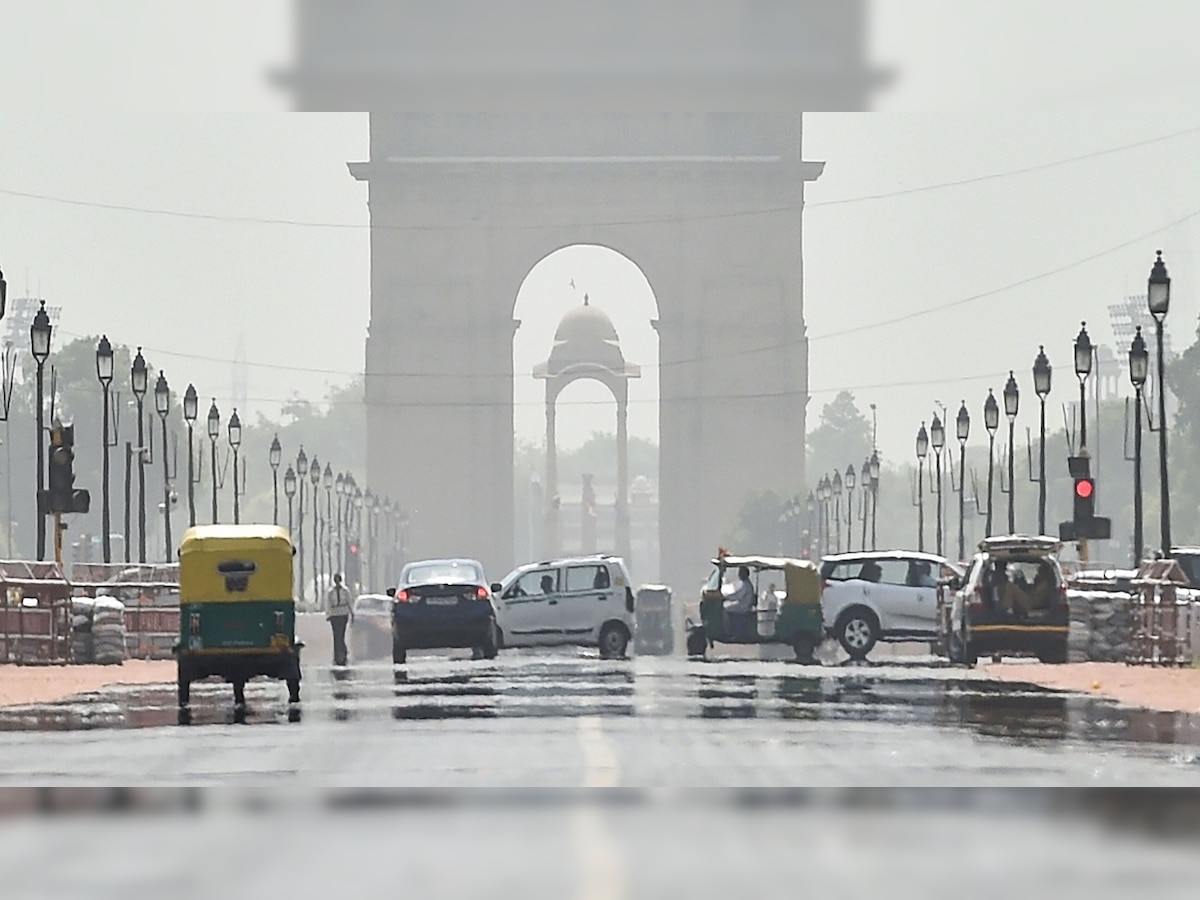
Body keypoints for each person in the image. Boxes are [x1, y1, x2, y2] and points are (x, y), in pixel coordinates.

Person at [326, 573, 354, 666]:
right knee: (336, 635)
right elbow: (329, 604)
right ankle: (337, 653)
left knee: (341, 634)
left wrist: (352, 613)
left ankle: (343, 651)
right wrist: (328, 615)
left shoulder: (345, 591)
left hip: (343, 613)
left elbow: (349, 601)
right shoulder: (331, 592)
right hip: (334, 614)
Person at [723, 566, 756, 639]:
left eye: (740, 573)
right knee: (728, 607)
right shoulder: (746, 584)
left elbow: (738, 596)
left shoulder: (746, 585)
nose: (739, 575)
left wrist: (726, 597)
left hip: (743, 607)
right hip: (743, 605)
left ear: (745, 574)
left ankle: (730, 631)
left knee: (725, 609)